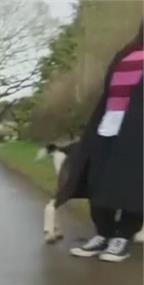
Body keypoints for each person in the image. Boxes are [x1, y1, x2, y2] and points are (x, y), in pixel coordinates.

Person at [61, 23, 143, 263]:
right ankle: (103, 234)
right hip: (107, 126)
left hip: (137, 132)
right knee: (97, 181)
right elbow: (108, 91)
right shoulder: (126, 53)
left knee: (132, 186)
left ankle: (123, 237)